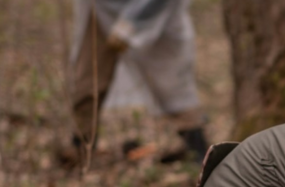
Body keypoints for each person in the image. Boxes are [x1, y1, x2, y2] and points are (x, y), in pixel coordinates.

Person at [65, 0, 208, 164]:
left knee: (171, 79)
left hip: (159, 11)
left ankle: (197, 149)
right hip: (99, 7)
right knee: (89, 76)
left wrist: (132, 22)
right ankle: (81, 148)